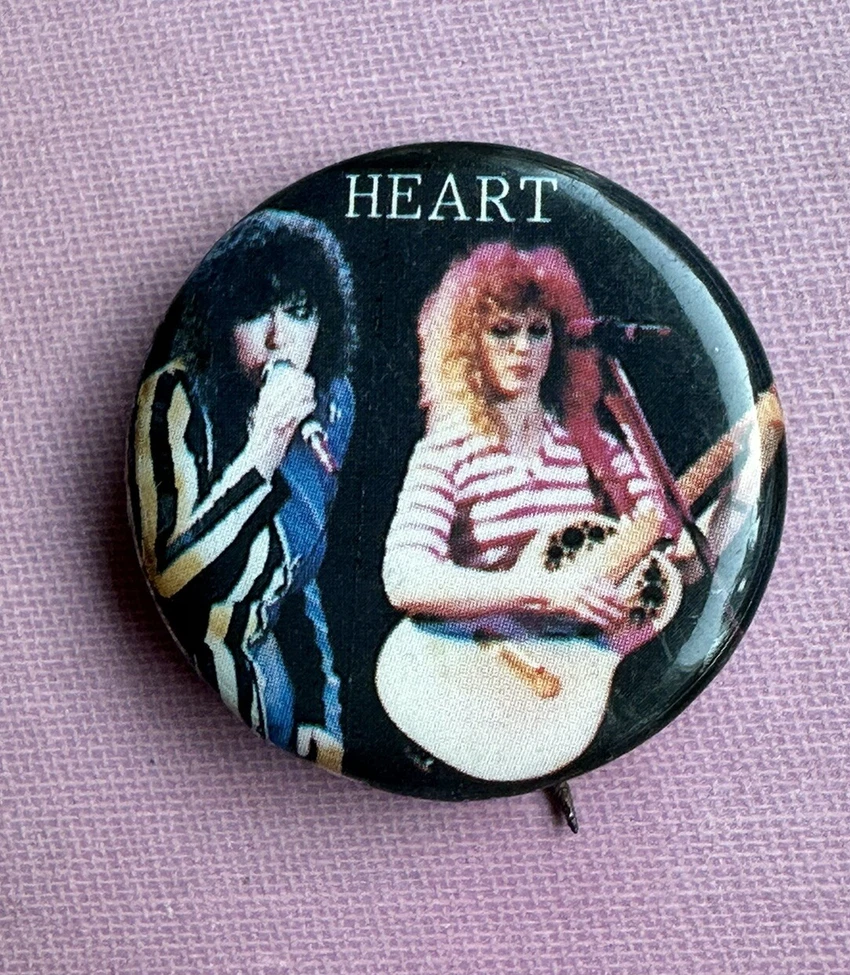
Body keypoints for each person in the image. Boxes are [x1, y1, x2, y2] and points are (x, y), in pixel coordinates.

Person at [129, 210, 356, 771]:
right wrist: (264, 447)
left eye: (299, 313)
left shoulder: (331, 402)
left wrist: (321, 717)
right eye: (256, 313)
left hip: (274, 686)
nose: (279, 339)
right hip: (184, 704)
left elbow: (298, 575)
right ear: (223, 320)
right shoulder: (173, 397)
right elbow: (177, 580)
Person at [382, 242, 679, 641]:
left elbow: (672, 541)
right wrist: (540, 590)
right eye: (503, 330)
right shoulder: (446, 452)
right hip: (481, 658)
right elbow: (405, 577)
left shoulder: (591, 447)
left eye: (538, 331)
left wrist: (745, 472)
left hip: (575, 661)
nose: (523, 347)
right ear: (468, 344)